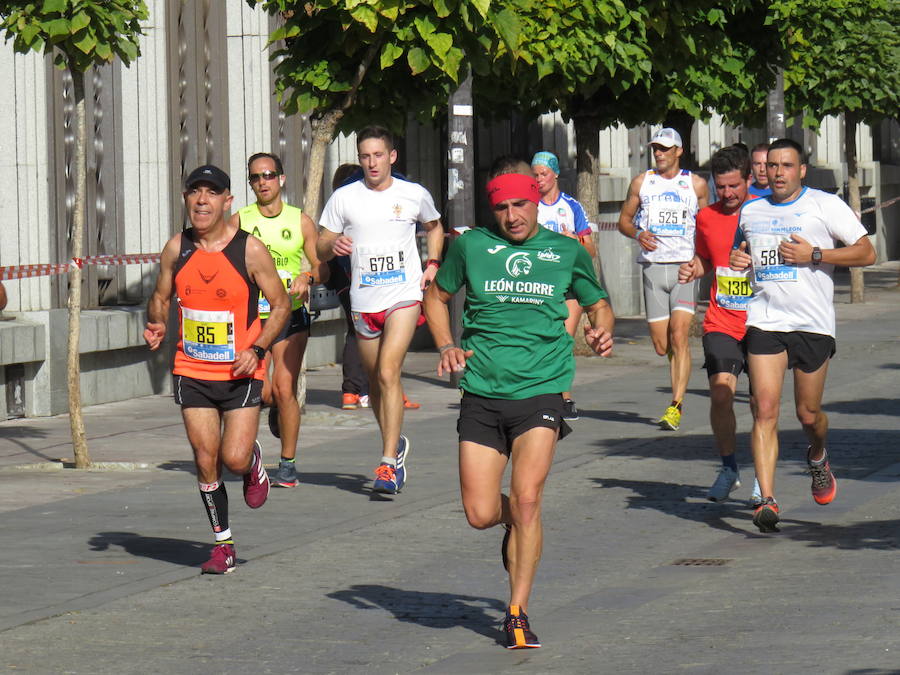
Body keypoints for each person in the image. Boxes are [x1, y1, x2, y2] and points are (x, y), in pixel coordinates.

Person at [423, 157, 614, 649]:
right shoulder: (471, 247)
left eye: (521, 204)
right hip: (483, 393)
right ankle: (514, 521)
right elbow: (436, 297)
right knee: (481, 513)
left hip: (542, 392)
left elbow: (597, 302)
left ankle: (517, 612)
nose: (512, 216)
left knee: (529, 498)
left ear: (537, 201)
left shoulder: (566, 251)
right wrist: (446, 344)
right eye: (503, 207)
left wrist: (602, 328)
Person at [144, 164, 290, 573]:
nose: (202, 200)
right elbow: (160, 296)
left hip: (241, 371)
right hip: (191, 369)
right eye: (195, 192)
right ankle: (223, 545)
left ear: (228, 201)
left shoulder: (250, 250)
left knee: (234, 458)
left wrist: (259, 349)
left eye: (212, 193)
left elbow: (280, 306)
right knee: (205, 456)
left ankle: (253, 464)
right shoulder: (177, 248)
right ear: (187, 199)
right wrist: (156, 322)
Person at [729, 138, 875, 532]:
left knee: (808, 414)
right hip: (765, 321)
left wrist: (815, 255)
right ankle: (766, 498)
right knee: (764, 408)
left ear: (801, 170)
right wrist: (738, 260)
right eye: (772, 166)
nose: (777, 173)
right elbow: (739, 255)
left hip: (812, 323)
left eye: (786, 166)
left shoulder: (824, 205)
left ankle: (818, 454)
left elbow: (866, 253)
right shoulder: (751, 210)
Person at [317, 126, 443, 494]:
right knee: (375, 382)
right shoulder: (344, 197)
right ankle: (394, 442)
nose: (371, 163)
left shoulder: (413, 193)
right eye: (365, 156)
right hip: (363, 299)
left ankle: (388, 462)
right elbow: (321, 246)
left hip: (403, 295)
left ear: (392, 157)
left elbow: (435, 228)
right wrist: (332, 245)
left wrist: (432, 262)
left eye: (377, 155)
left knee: (389, 372)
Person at [229, 152, 327, 488]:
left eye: (268, 175)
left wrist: (308, 278)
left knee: (285, 388)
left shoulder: (300, 220)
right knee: (264, 390)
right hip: (255, 316)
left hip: (291, 313)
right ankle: (269, 421)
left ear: (281, 179)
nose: (262, 182)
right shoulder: (239, 221)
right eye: (255, 177)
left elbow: (319, 266)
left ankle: (287, 463)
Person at [678, 145, 757, 502]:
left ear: (749, 180)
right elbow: (705, 258)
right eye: (720, 187)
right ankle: (728, 468)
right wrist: (694, 267)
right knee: (721, 393)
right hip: (721, 319)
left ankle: (763, 480)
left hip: (763, 320)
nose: (726, 194)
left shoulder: (764, 211)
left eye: (733, 187)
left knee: (762, 404)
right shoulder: (706, 217)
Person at [617, 128, 708, 430]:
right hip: (653, 269)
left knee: (680, 335)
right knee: (662, 344)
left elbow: (707, 227)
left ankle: (676, 405)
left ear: (678, 151)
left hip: (684, 268)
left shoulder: (695, 184)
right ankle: (677, 364)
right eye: (656, 148)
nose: (659, 153)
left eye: (665, 149)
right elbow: (623, 222)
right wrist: (639, 233)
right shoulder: (642, 182)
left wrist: (702, 261)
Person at [326, 163, 421, 413]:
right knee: (378, 336)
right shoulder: (346, 198)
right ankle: (373, 389)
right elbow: (323, 243)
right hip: (358, 278)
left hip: (355, 277)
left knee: (356, 333)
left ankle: (354, 391)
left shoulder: (396, 190)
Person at [531, 151, 597, 420]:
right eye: (534, 175)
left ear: (555, 174)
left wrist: (574, 241)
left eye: (543, 174)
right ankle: (539, 393)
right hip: (538, 283)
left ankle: (565, 397)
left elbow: (590, 249)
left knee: (563, 340)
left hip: (568, 283)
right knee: (539, 339)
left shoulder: (571, 206)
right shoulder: (529, 206)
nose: (538, 180)